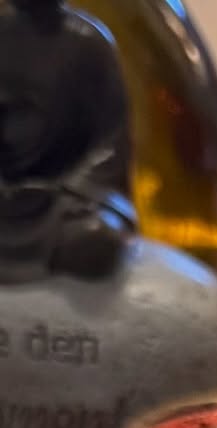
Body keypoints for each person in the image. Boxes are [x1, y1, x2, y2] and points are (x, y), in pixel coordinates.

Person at [0, 0, 136, 283]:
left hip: (66, 203)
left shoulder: (90, 45)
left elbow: (110, 144)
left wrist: (72, 188)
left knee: (95, 239)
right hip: (5, 194)